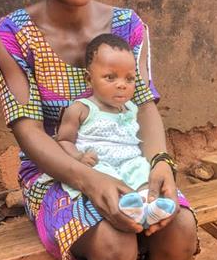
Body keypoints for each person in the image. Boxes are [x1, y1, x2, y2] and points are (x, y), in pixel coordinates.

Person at [0, 0, 198, 260]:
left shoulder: (128, 27)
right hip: (56, 174)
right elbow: (29, 132)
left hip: (129, 164)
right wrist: (89, 180)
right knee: (114, 241)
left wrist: (161, 163)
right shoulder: (13, 35)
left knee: (180, 227)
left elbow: (145, 106)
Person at [57, 33, 176, 228]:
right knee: (106, 176)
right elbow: (63, 141)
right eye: (110, 77)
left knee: (142, 170)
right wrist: (78, 157)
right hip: (99, 164)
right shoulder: (81, 109)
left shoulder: (131, 109)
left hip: (128, 161)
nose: (121, 84)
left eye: (129, 79)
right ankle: (127, 207)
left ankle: (149, 206)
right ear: (89, 79)